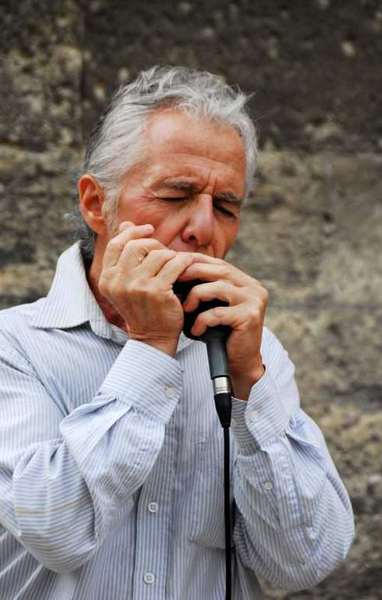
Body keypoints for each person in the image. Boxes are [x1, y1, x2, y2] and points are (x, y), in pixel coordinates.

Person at [0, 66, 354, 600]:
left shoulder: (253, 354)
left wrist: (250, 384)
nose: (203, 229)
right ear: (96, 203)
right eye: (175, 195)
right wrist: (150, 348)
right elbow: (56, 529)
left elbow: (304, 563)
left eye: (226, 206)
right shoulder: (14, 346)